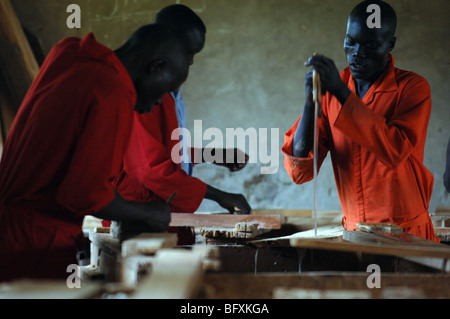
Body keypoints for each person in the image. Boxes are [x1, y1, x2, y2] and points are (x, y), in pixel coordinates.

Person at [0, 24, 191, 281]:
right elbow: (82, 194)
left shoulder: (70, 53)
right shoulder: (112, 92)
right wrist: (146, 212)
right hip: (35, 244)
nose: (157, 103)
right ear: (155, 67)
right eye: (162, 92)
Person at [282, 0, 438, 241]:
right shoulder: (333, 90)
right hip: (355, 235)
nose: (358, 53)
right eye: (351, 42)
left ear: (390, 45)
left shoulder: (412, 88)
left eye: (370, 45)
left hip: (407, 234)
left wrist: (342, 94)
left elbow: (394, 151)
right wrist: (311, 101)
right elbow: (300, 172)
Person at [113, 5, 251, 244]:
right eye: (187, 53)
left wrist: (212, 154)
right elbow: (151, 168)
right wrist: (218, 195)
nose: (189, 62)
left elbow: (165, 152)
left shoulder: (168, 92)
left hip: (161, 214)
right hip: (138, 220)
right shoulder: (145, 93)